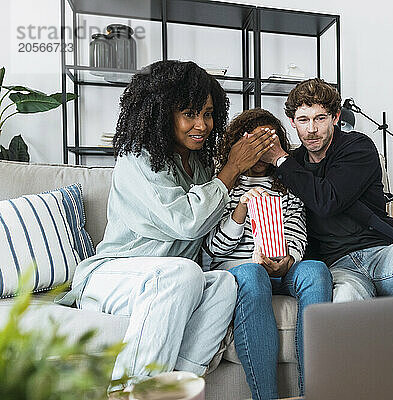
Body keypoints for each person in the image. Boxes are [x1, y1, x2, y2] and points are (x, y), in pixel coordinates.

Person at [57, 60, 275, 384]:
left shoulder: (199, 169)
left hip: (169, 282)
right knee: (184, 272)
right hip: (111, 277)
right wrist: (230, 170)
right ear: (161, 112)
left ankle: (177, 386)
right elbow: (185, 222)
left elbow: (207, 244)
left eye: (209, 113)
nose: (202, 124)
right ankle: (130, 391)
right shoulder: (138, 158)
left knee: (222, 284)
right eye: (190, 113)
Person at [261, 78, 393, 303]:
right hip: (337, 265)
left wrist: (281, 159)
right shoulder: (293, 164)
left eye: (320, 118)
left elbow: (328, 200)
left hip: (381, 251)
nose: (311, 129)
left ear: (336, 117)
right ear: (292, 122)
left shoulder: (357, 147)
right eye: (303, 120)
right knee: (345, 298)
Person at [203, 108, 332, 399]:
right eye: (255, 145)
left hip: (281, 268)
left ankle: (314, 392)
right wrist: (240, 212)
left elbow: (298, 233)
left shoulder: (286, 186)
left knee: (315, 270)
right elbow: (212, 250)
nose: (262, 153)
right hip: (242, 271)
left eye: (268, 144)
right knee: (252, 272)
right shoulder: (223, 186)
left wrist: (289, 261)